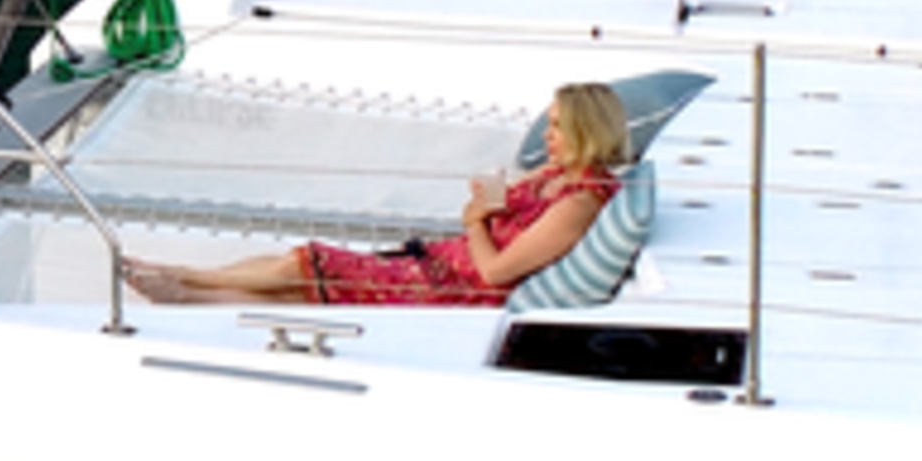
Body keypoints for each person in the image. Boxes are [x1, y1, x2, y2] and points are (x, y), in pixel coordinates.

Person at [123, 81, 631, 309]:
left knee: (306, 264)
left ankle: (186, 282)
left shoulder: (579, 204)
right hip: (436, 265)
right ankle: (187, 292)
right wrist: (494, 199)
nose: (548, 136)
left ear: (588, 131)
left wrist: (476, 222)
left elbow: (497, 272)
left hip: (456, 291)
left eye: (559, 128)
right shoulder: (557, 175)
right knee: (296, 277)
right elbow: (506, 202)